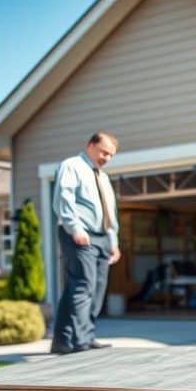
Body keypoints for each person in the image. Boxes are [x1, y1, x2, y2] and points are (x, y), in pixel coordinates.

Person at [49, 131, 122, 354]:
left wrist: (113, 241)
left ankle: (65, 340)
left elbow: (110, 212)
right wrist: (76, 228)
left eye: (110, 155)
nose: (106, 158)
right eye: (104, 152)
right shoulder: (71, 166)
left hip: (102, 237)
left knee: (96, 289)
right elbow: (64, 198)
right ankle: (81, 341)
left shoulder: (103, 176)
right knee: (83, 285)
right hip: (80, 235)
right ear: (90, 145)